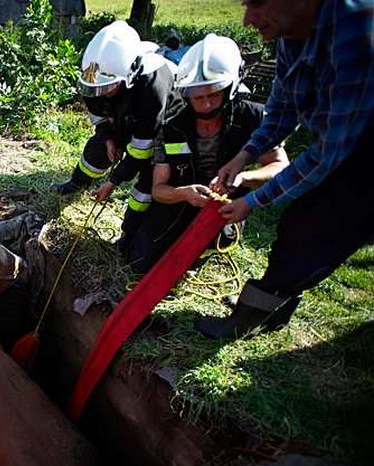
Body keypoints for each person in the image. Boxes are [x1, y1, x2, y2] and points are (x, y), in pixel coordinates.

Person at [195, 0, 374, 339]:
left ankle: (254, 314)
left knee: (315, 227)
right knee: (302, 223)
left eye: (257, 3)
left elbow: (327, 154)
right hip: (344, 141)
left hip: (363, 150)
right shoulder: (293, 34)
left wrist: (252, 201)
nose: (248, 20)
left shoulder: (357, 27)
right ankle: (272, 305)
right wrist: (243, 156)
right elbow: (280, 112)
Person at [126, 34, 288, 274]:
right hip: (180, 204)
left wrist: (243, 178)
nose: (206, 105)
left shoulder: (251, 118)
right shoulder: (172, 127)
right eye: (197, 97)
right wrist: (184, 194)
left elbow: (280, 165)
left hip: (224, 211)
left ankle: (208, 248)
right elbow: (159, 190)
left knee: (186, 261)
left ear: (230, 88)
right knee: (141, 262)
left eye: (213, 95)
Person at [51, 20, 174, 252]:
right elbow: (98, 111)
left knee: (146, 186)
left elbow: (142, 147)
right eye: (95, 88)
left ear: (131, 74)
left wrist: (114, 181)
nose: (100, 94)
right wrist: (109, 136)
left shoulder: (153, 87)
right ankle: (76, 183)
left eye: (107, 88)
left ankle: (130, 234)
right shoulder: (96, 78)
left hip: (162, 131)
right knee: (97, 148)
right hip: (126, 117)